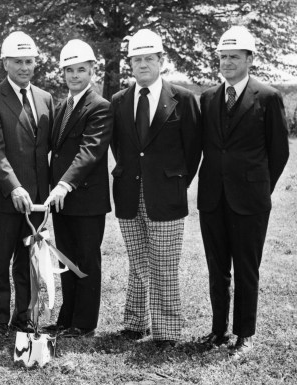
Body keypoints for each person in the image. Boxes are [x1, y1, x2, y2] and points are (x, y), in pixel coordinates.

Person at [198, 26, 289, 359]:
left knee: (246, 269)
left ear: (250, 59)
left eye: (234, 57)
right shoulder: (208, 98)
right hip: (212, 198)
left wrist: (259, 187)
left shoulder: (267, 97)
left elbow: (279, 152)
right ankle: (218, 330)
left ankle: (244, 334)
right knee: (217, 268)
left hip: (250, 201)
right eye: (222, 57)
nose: (227, 63)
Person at [111, 29, 201, 348]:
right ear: (130, 64)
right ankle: (135, 323)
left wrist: (174, 183)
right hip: (127, 194)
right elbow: (118, 148)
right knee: (138, 262)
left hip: (167, 195)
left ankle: (165, 331)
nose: (143, 64)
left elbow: (193, 151)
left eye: (149, 58)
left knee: (163, 264)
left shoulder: (184, 99)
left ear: (161, 61)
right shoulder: (119, 102)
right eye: (137, 60)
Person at [0, 31, 54, 337]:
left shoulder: (45, 97)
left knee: (28, 260)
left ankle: (22, 317)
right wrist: (14, 187)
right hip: (7, 196)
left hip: (38, 198)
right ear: (5, 63)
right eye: (18, 61)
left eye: (29, 61)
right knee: (1, 259)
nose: (24, 67)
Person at [43, 40, 112, 338]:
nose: (74, 75)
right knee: (66, 259)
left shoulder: (99, 107)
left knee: (85, 259)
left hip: (85, 198)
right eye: (69, 70)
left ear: (92, 71)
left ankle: (84, 324)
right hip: (63, 200)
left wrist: (63, 184)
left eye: (81, 70)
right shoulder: (63, 107)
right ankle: (66, 318)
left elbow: (90, 151)